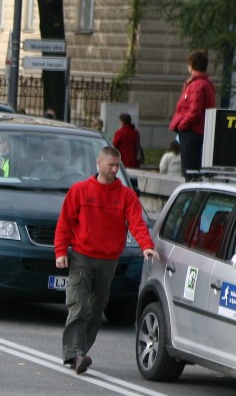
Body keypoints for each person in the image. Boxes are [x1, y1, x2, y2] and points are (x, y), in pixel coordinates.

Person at [54, 146, 159, 374]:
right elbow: (64, 223)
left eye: (117, 165)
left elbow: (137, 222)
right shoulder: (80, 190)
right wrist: (60, 251)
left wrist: (146, 246)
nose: (114, 169)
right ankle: (75, 353)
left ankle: (80, 352)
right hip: (82, 257)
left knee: (96, 309)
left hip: (108, 260)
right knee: (78, 305)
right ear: (98, 164)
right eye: (111, 165)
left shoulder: (126, 195)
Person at [168, 49, 216, 179]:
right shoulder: (206, 83)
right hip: (199, 130)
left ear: (192, 65)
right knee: (195, 169)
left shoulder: (197, 85)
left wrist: (182, 126)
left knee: (189, 170)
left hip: (191, 131)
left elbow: (194, 111)